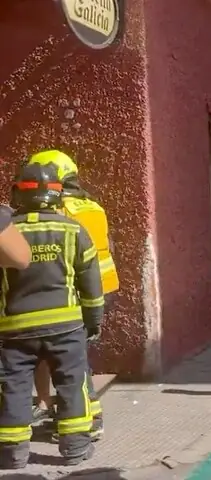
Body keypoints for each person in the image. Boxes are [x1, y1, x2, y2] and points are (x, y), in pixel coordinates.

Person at [0, 163, 104, 469]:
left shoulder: (7, 233)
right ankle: (74, 448)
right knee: (73, 383)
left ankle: (12, 452)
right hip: (66, 328)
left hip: (14, 330)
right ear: (57, 195)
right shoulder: (73, 231)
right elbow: (91, 285)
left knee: (14, 387)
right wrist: (93, 321)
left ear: (19, 192)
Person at [26, 149, 116, 440]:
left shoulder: (60, 210)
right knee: (74, 356)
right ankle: (69, 411)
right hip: (103, 288)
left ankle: (88, 419)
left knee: (70, 360)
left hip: (75, 292)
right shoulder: (92, 206)